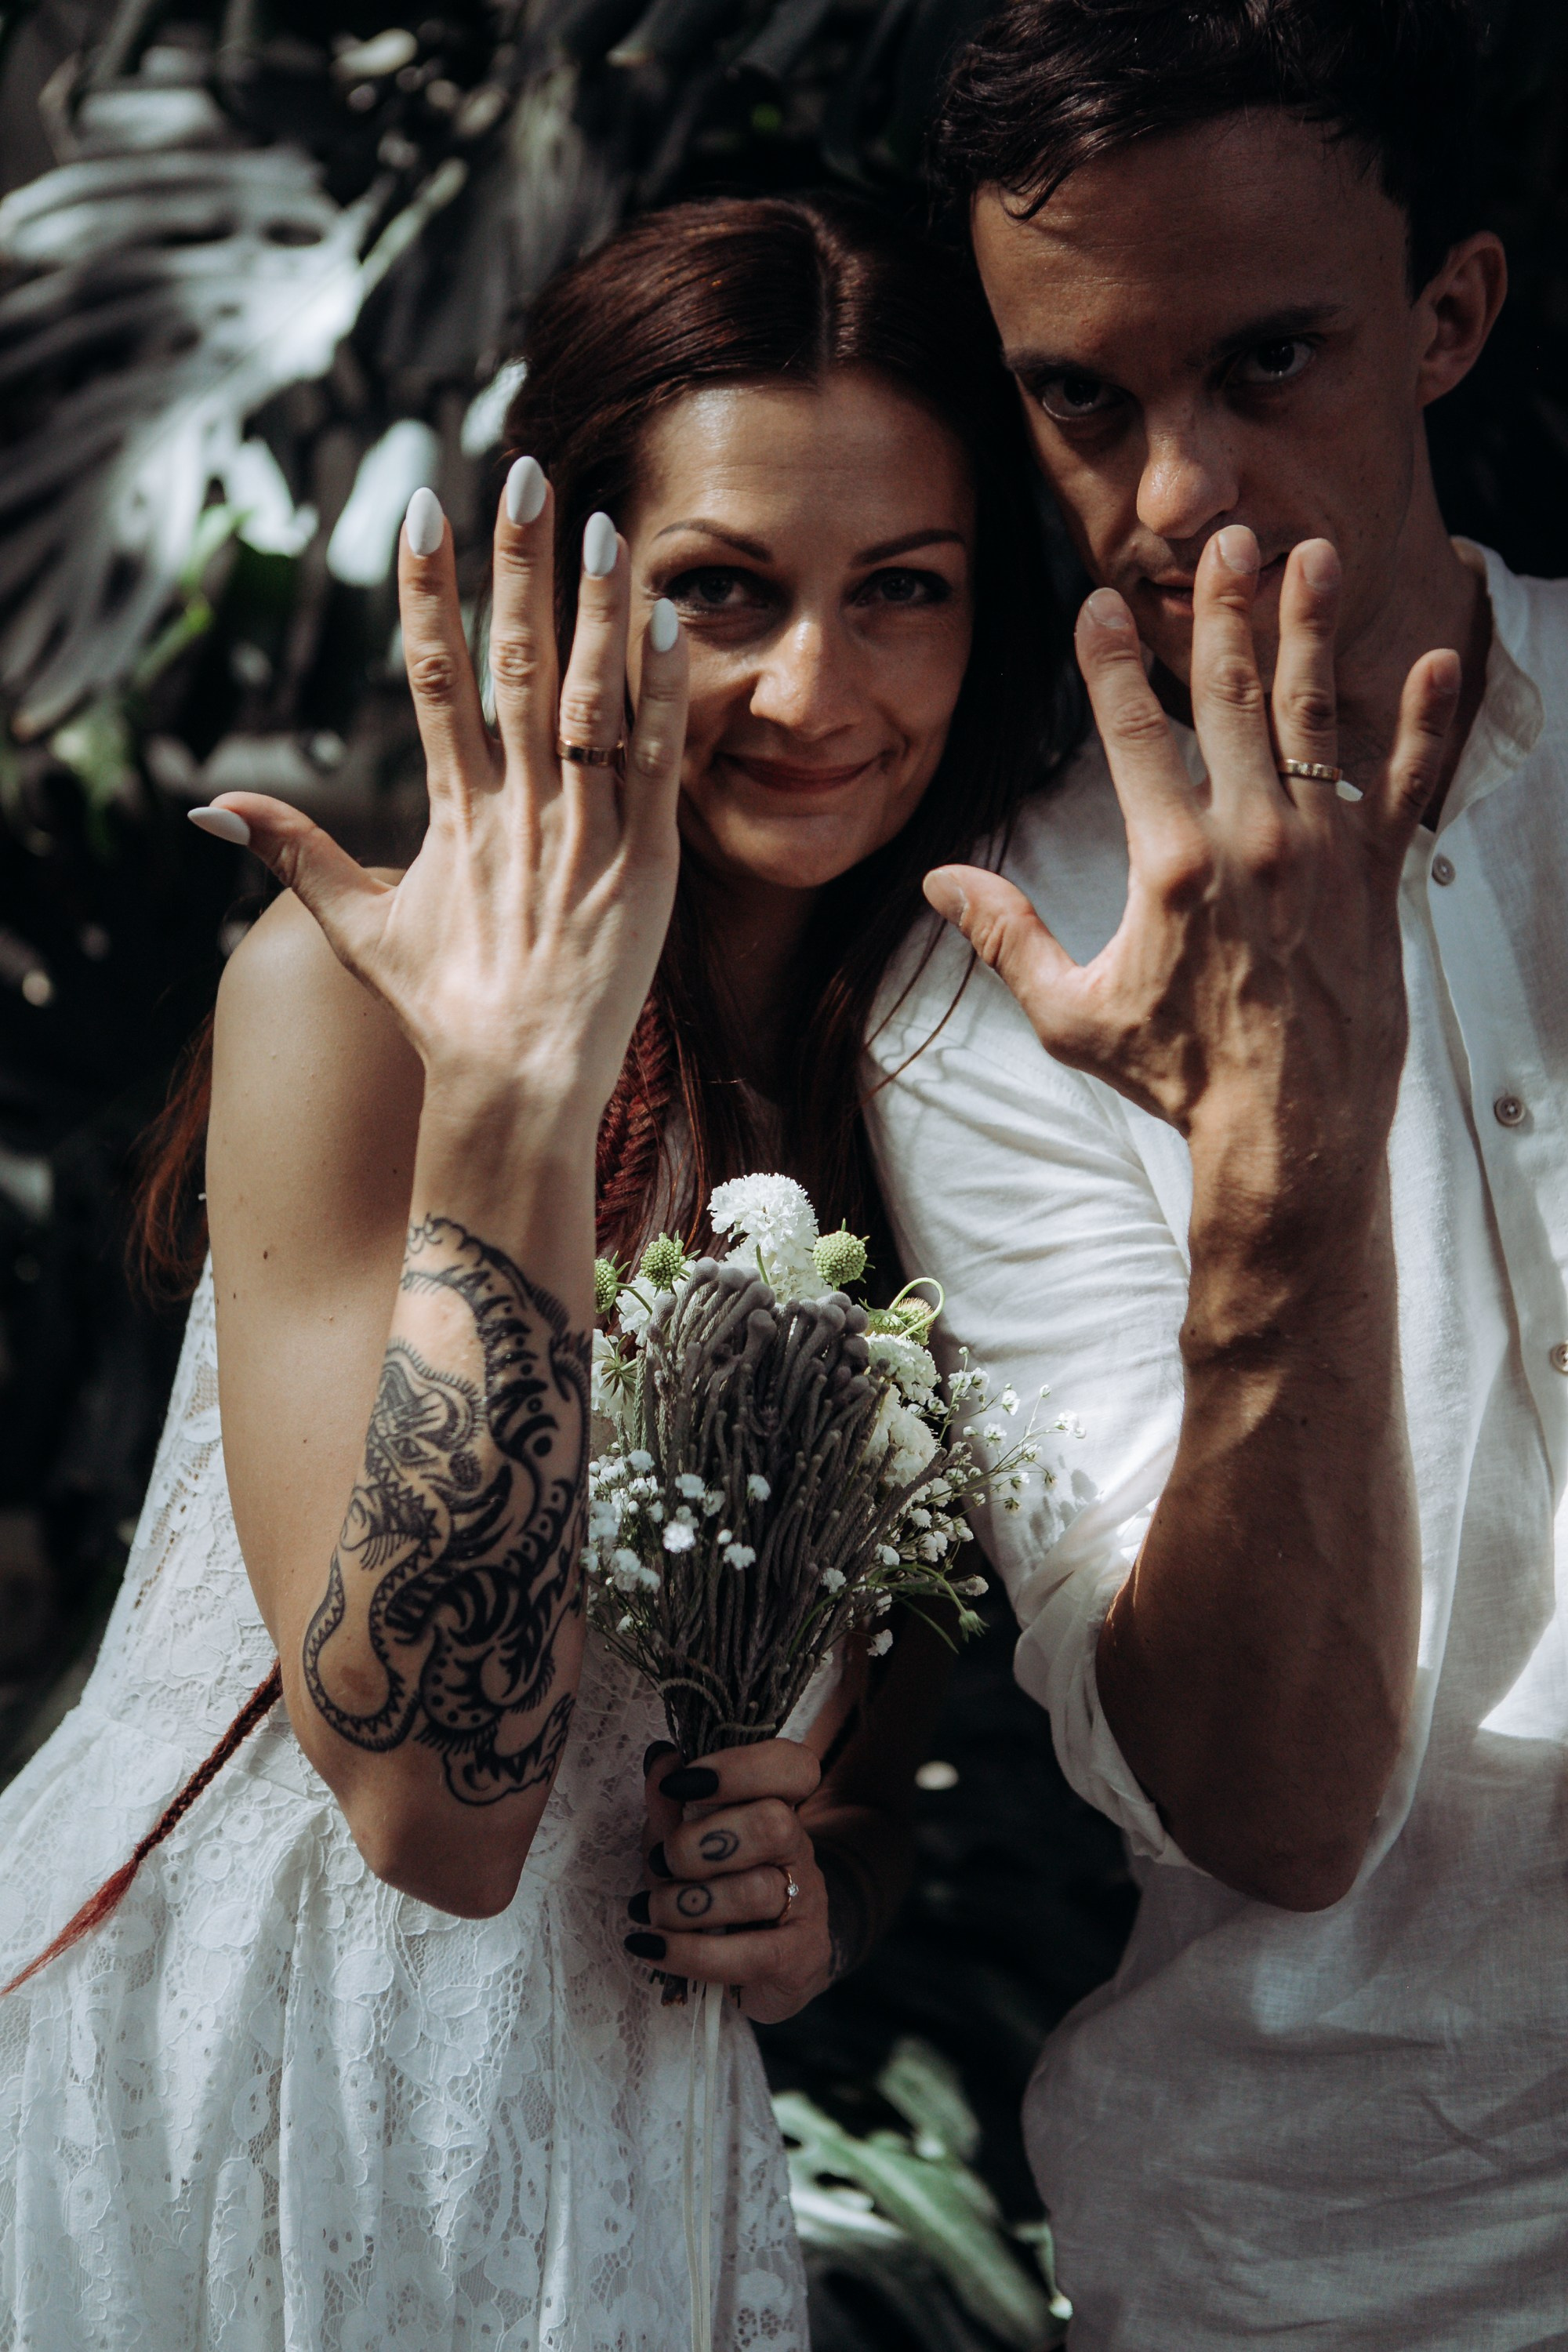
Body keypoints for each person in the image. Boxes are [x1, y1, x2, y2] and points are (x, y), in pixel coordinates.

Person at [0, 193, 1064, 2349]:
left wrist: (806, 1901)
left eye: (905, 594)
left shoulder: (965, 1081)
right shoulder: (353, 998)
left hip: (609, 2123)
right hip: (238, 2075)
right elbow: (429, 1808)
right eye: (720, 591)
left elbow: (863, 1774)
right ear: (561, 593)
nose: (812, 687)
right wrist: (518, 1091)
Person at [866, 0, 1568, 2343]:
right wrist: (1281, 1164)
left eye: (1270, 360)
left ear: (1447, 314)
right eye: (1084, 399)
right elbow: (1270, 1814)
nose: (1169, 496)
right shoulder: (993, 984)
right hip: (1349, 2263)